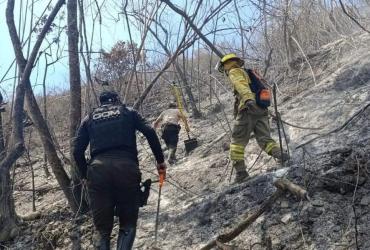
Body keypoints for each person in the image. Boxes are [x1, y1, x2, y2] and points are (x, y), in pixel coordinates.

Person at [72, 90, 166, 250]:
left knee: (102, 231)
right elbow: (150, 131)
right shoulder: (128, 112)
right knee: (127, 225)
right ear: (116, 99)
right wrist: (160, 161)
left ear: (101, 103)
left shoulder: (89, 118)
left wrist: (85, 175)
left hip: (98, 172)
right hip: (126, 169)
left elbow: (76, 151)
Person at [216, 53, 289, 183]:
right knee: (265, 139)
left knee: (237, 143)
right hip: (261, 109)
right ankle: (282, 156)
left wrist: (248, 99)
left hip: (248, 109)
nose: (225, 70)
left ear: (225, 65)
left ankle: (241, 174)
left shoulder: (234, 71)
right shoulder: (248, 72)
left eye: (224, 67)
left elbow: (240, 85)